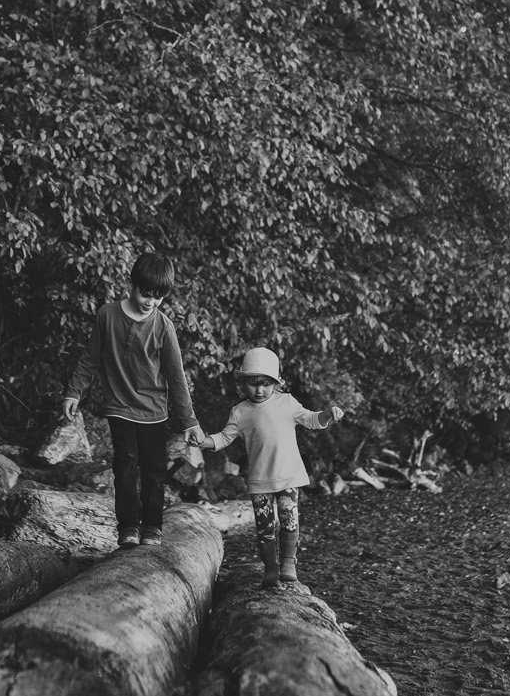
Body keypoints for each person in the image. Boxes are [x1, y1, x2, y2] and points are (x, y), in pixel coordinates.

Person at [61, 252, 203, 548]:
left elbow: (176, 378)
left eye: (158, 297)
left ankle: (152, 526)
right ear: (132, 284)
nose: (150, 302)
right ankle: (128, 526)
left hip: (154, 411)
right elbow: (90, 357)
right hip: (120, 407)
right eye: (145, 293)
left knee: (154, 469)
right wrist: (75, 391)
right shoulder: (107, 315)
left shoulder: (164, 327)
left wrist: (189, 421)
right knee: (124, 464)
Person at [197, 346, 344, 587]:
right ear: (243, 384)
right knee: (265, 528)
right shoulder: (240, 412)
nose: (260, 389)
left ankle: (288, 564)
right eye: (253, 384)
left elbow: (310, 419)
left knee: (289, 520)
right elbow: (224, 438)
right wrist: (204, 440)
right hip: (260, 480)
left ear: (276, 384)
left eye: (265, 384)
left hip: (288, 477)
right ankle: (271, 569)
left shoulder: (286, 402)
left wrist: (327, 414)